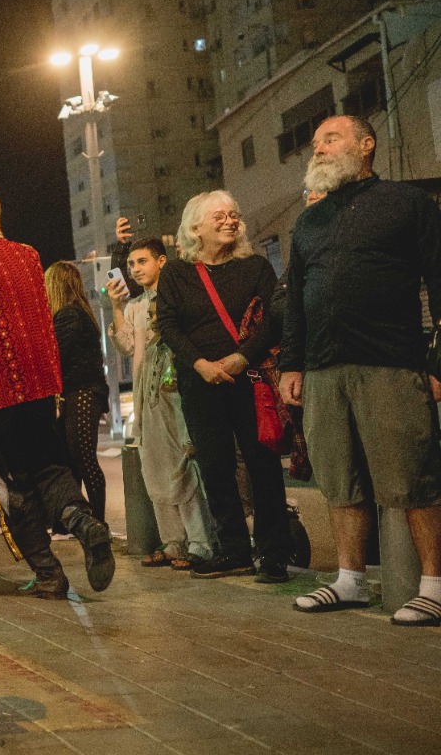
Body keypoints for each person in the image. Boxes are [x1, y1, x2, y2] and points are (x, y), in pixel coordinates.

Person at [280, 115, 441, 624]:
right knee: (340, 478)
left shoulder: (407, 203)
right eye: (315, 142)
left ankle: (434, 585)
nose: (319, 149)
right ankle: (349, 580)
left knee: (412, 476)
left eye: (330, 139)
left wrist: (437, 361)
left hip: (390, 361)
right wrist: (292, 364)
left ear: (365, 145)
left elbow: (439, 279)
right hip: (324, 368)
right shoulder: (309, 221)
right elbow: (296, 301)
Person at [0, 189, 115, 598]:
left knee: (12, 488)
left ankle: (49, 574)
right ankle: (85, 522)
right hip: (40, 391)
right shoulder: (29, 256)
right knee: (50, 468)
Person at [156, 189, 290, 582]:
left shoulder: (256, 267)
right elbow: (167, 324)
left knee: (263, 465)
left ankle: (274, 553)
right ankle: (233, 550)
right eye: (220, 216)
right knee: (215, 467)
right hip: (200, 382)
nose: (230, 221)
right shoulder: (177, 273)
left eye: (234, 214)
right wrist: (199, 363)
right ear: (195, 226)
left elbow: (272, 319)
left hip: (249, 378)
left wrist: (241, 356)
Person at [107, 238, 214, 569]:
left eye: (142, 262)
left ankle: (201, 543)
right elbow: (126, 345)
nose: (136, 269)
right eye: (132, 265)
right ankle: (174, 543)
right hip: (148, 393)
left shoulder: (179, 297)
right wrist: (115, 307)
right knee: (154, 468)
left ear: (162, 261)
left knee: (183, 465)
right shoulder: (137, 306)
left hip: (176, 391)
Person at [44, 262, 110, 524]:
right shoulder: (78, 313)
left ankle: (97, 521)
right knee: (73, 460)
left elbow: (53, 357)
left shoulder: (69, 315)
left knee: (82, 459)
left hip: (82, 393)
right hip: (81, 393)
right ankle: (75, 520)